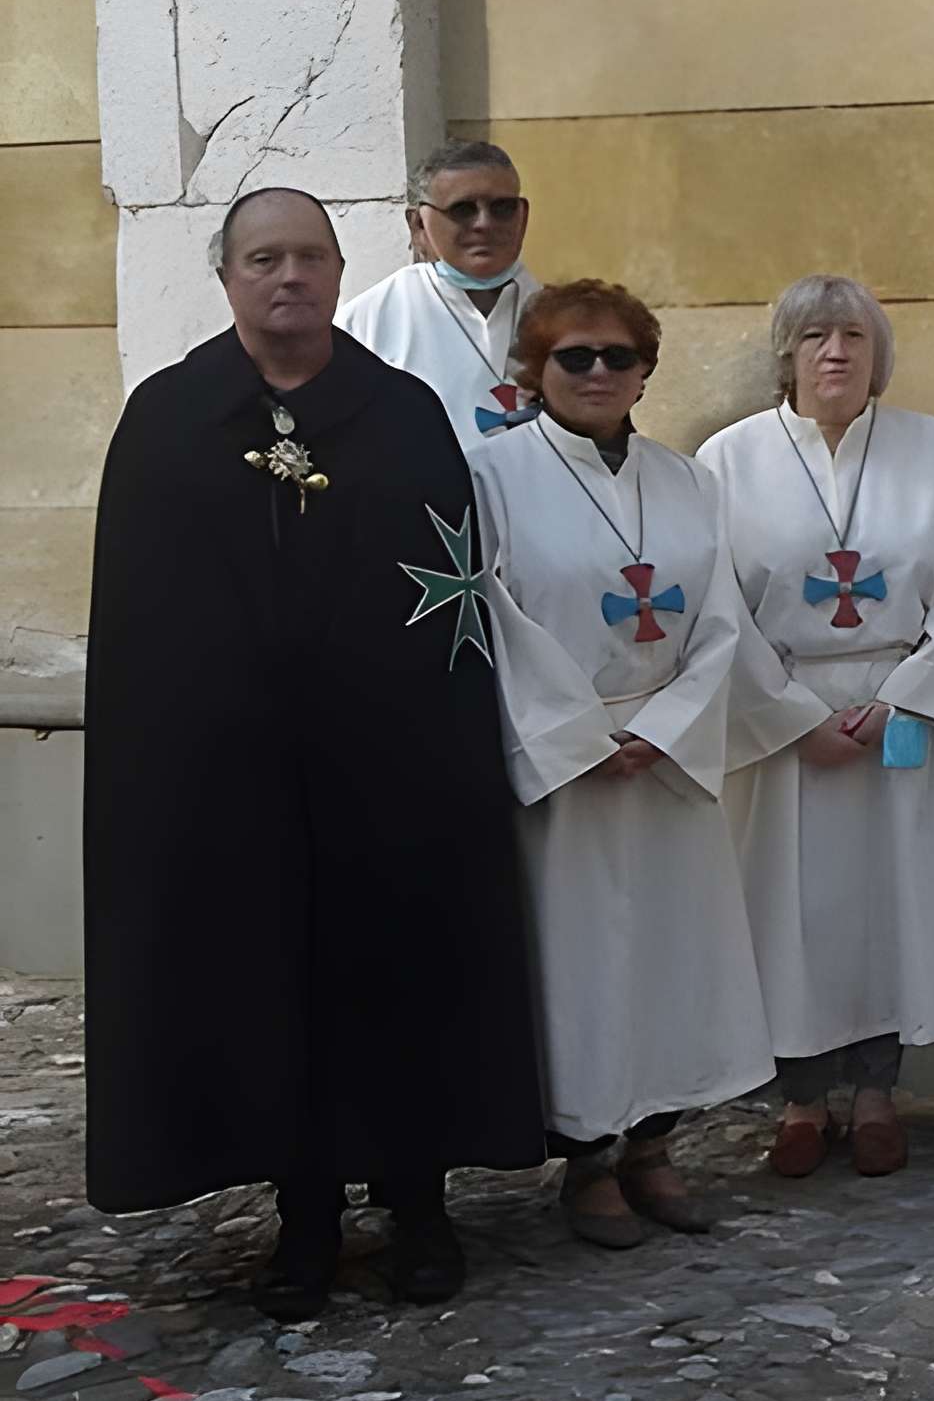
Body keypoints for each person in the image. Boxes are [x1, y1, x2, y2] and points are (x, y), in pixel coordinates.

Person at [84, 187, 544, 1317]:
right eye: (263, 258)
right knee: (269, 984)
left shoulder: (402, 415)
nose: (287, 276)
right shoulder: (170, 418)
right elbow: (142, 620)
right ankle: (304, 1222)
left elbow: (447, 599)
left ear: (342, 274)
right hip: (235, 784)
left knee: (401, 978)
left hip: (390, 771)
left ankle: (421, 1209)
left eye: (307, 257)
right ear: (228, 275)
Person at [469, 279, 776, 1250]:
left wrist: (672, 727)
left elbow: (722, 619)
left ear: (645, 368)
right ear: (536, 369)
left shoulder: (686, 481)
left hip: (665, 759)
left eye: (618, 357)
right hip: (569, 765)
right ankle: (589, 1159)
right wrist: (573, 738)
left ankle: (655, 1146)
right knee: (587, 965)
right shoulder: (491, 477)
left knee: (672, 963)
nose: (599, 374)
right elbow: (492, 616)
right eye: (575, 357)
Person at [703, 277, 934, 1180]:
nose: (837, 353)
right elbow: (714, 605)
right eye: (816, 337)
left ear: (879, 354)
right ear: (785, 355)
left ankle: (877, 1093)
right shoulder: (727, 460)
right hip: (783, 717)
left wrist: (904, 697)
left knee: (892, 907)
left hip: (901, 712)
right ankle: (801, 1099)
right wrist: (791, 717)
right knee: (793, 914)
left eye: (855, 338)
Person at [340, 140, 547, 451]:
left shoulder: (565, 316)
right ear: (418, 225)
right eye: (463, 209)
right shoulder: (364, 322)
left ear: (523, 216)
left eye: (502, 208)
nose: (484, 223)